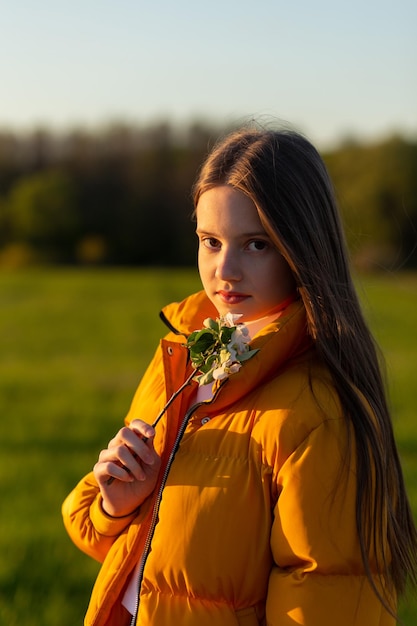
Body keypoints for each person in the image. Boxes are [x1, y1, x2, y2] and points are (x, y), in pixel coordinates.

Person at [62, 126, 417, 626]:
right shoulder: (181, 357)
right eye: (210, 241)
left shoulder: (318, 413)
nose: (224, 269)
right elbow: (102, 535)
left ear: (303, 249)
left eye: (256, 245)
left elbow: (324, 597)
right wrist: (118, 507)